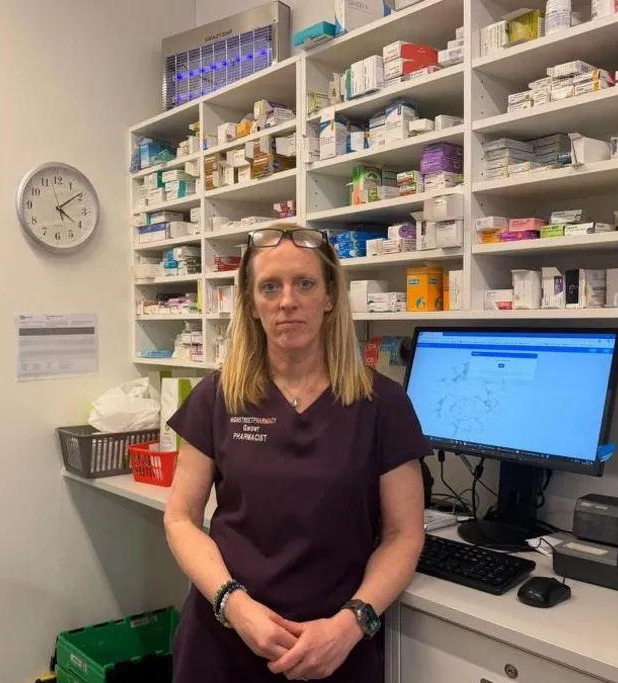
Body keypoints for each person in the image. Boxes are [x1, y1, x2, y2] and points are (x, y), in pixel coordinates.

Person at [163, 225, 431, 682]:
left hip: (333, 647)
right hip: (224, 640)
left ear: (329, 296)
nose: (288, 301)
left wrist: (352, 624)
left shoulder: (382, 404)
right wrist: (235, 605)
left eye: (304, 283)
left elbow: (404, 535)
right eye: (270, 286)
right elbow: (180, 518)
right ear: (251, 304)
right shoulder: (217, 396)